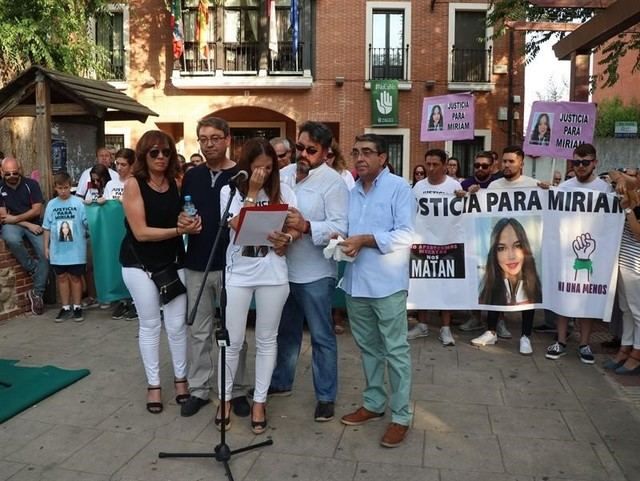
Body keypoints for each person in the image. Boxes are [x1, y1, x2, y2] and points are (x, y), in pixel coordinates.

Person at [338, 133, 415, 448]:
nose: (359, 158)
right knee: (369, 349)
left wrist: (365, 239)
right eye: (355, 152)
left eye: (367, 152)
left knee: (395, 351)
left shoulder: (399, 188)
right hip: (356, 284)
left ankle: (401, 416)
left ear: (383, 157)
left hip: (387, 285)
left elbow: (407, 235)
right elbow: (345, 230)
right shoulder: (352, 191)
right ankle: (373, 403)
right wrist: (332, 235)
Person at [270, 121, 349, 422]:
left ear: (326, 153)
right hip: (282, 268)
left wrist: (305, 226)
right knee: (286, 333)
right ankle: (281, 381)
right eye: (299, 147)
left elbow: (340, 227)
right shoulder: (283, 175)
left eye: (311, 150)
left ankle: (326, 396)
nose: (302, 154)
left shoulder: (334, 182)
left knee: (321, 336)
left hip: (316, 272)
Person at [216, 138, 297, 433]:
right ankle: (224, 397)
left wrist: (286, 239)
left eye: (267, 167)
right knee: (232, 340)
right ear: (245, 167)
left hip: (272, 271)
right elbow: (235, 224)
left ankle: (260, 400)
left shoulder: (284, 190)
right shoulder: (229, 191)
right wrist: (251, 192)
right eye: (256, 168)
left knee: (267, 339)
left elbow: (294, 229)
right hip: (239, 270)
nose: (262, 173)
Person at [119, 130, 201, 414]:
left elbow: (182, 213)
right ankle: (154, 384)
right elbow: (140, 232)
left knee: (178, 326)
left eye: (166, 152)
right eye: (154, 152)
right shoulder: (133, 184)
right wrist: (179, 230)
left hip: (173, 261)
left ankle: (181, 379)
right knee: (151, 325)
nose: (161, 157)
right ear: (143, 154)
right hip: (139, 263)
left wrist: (188, 221)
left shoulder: (176, 183)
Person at [179, 117, 251, 418]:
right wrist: (182, 221)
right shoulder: (192, 175)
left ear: (228, 139)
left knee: (234, 332)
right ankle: (199, 388)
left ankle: (236, 390)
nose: (209, 143)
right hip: (197, 262)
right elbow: (183, 211)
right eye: (203, 138)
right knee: (199, 331)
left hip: (234, 265)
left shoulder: (242, 174)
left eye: (215, 137)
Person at [545, 143, 614, 364]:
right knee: (564, 296)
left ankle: (584, 344)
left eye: (585, 162)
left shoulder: (605, 190)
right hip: (566, 251)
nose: (581, 167)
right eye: (577, 162)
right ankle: (561, 341)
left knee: (588, 298)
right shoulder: (564, 187)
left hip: (594, 252)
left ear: (595, 162)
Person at [472, 146, 544, 355]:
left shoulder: (533, 186)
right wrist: (472, 195)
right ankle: (491, 331)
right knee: (496, 285)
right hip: (500, 245)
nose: (507, 165)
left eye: (511, 161)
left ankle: (525, 336)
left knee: (528, 290)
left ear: (521, 163)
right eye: (504, 161)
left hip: (523, 246)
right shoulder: (494, 186)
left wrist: (549, 192)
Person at [408, 149, 459, 346]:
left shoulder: (454, 186)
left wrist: (467, 196)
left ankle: (445, 328)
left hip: (447, 244)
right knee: (422, 283)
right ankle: (422, 325)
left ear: (445, 164)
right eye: (427, 164)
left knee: (446, 285)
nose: (430, 168)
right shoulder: (419, 187)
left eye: (435, 164)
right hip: (423, 243)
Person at [0, 157, 47, 315]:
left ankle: (37, 294)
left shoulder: (31, 185)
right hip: (17, 225)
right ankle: (33, 268)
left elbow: (37, 210)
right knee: (11, 239)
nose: (12, 176)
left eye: (15, 172)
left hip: (33, 222)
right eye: (8, 174)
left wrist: (19, 219)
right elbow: (5, 217)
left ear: (19, 170)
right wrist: (27, 224)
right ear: (2, 172)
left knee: (45, 254)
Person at [603, 187, 640, 374]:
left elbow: (638, 234)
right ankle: (625, 348)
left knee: (637, 312)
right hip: (624, 261)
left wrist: (627, 210)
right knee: (626, 309)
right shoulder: (635, 197)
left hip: (636, 265)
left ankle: (637, 354)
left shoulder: (631, 204)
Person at [43, 172, 88, 322]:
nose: (63, 191)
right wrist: (46, 247)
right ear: (55, 188)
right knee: (61, 277)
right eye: (60, 188)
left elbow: (87, 222)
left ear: (71, 187)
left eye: (66, 188)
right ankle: (65, 306)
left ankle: (77, 306)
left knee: (75, 277)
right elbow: (47, 227)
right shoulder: (51, 204)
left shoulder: (79, 203)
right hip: (58, 249)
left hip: (76, 248)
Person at [478, 218, 542, 306]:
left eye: (517, 246)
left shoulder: (543, 296)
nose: (511, 256)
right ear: (494, 254)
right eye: (501, 248)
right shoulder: (483, 301)